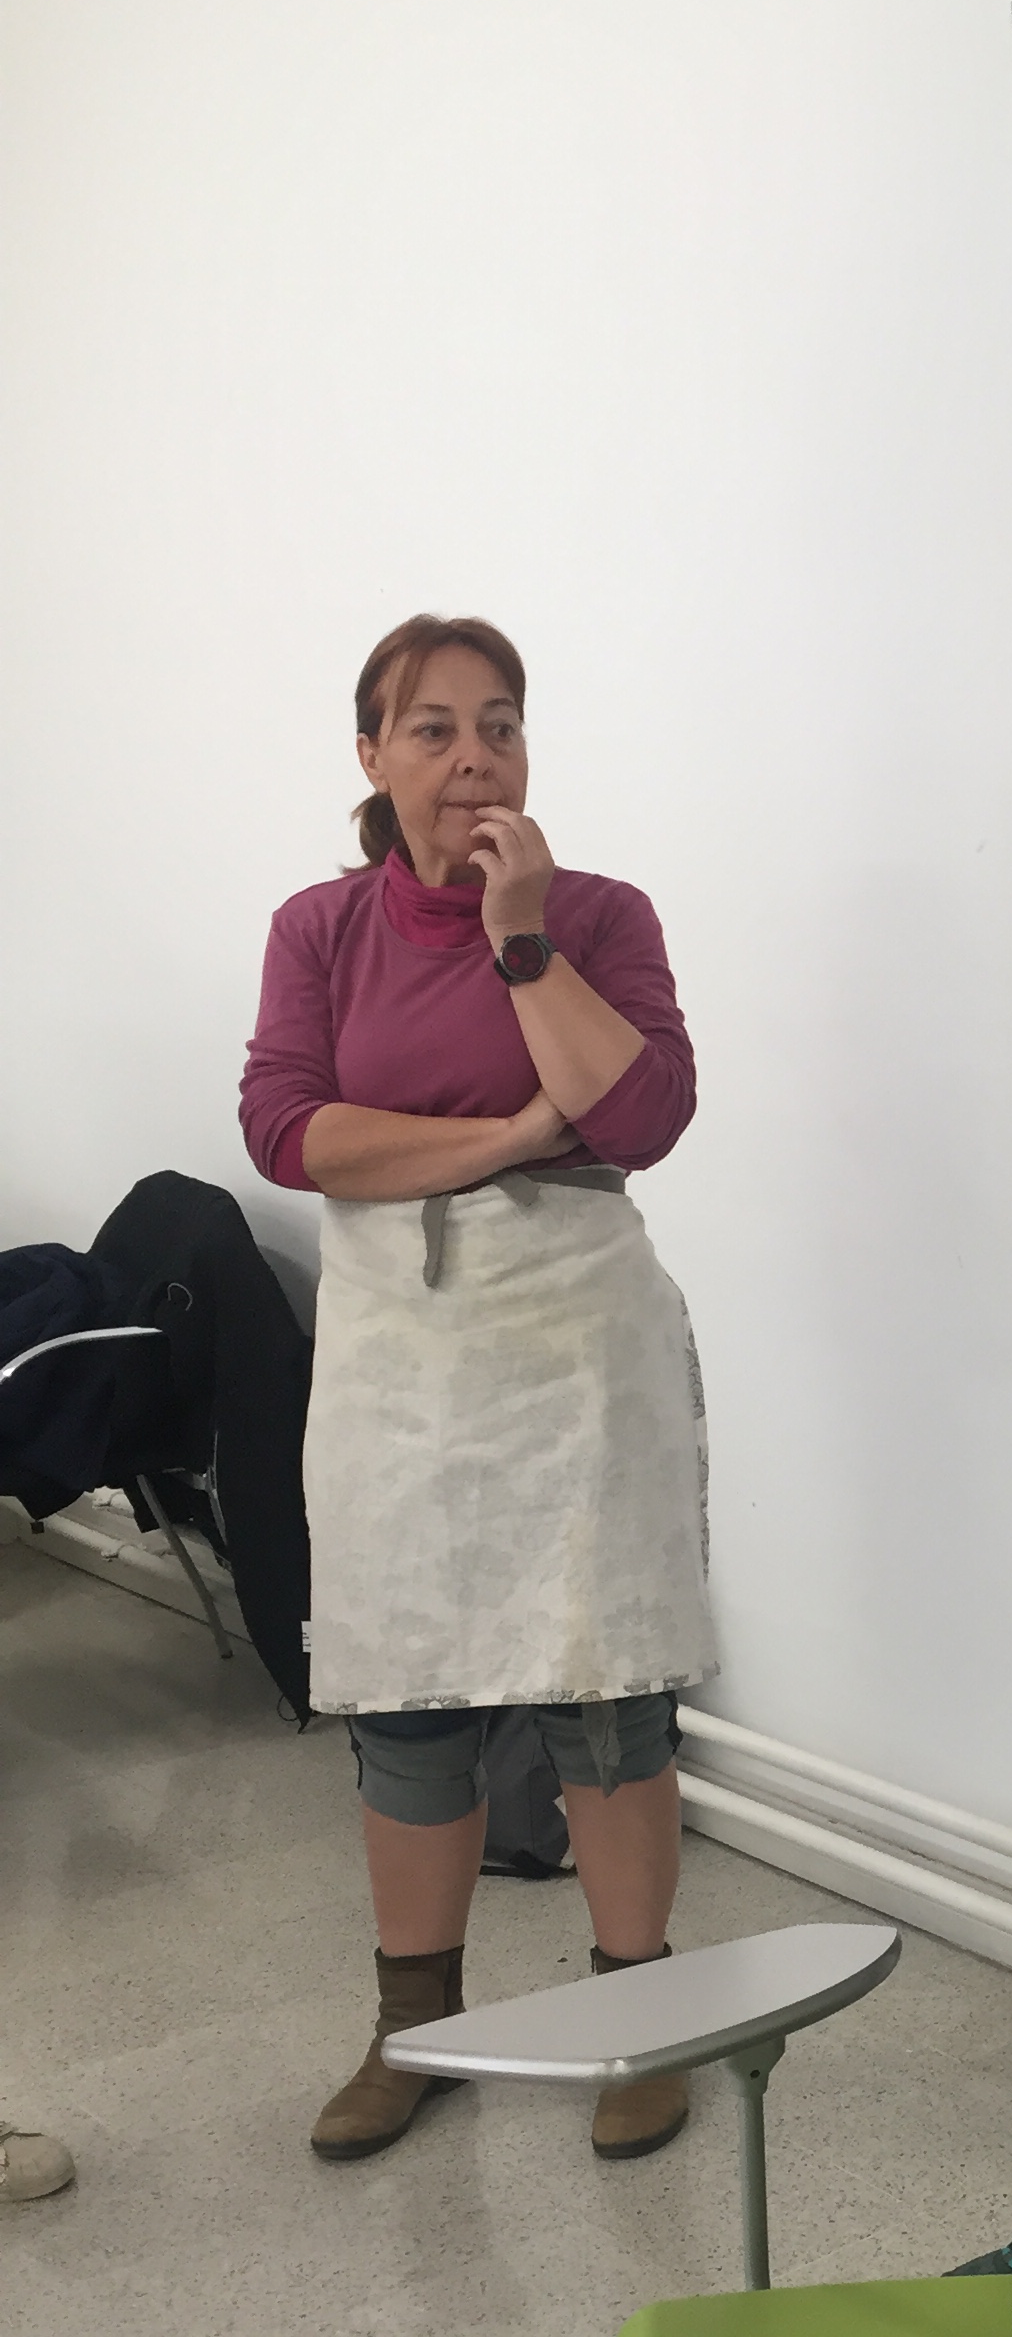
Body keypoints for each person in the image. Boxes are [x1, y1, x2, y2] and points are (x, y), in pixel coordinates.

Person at [240, 616, 716, 2160]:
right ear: (372, 754)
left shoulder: (597, 914)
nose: (472, 757)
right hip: (399, 1358)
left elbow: (638, 1113)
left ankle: (643, 2019)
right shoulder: (321, 928)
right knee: (407, 1704)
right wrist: (510, 1138)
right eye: (433, 727)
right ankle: (416, 2032)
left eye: (499, 724)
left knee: (607, 1697)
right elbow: (290, 1130)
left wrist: (523, 938)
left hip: (578, 1346)